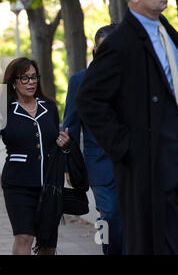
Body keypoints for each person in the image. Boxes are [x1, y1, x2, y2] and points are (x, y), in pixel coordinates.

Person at [75, 0, 178, 254]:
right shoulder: (120, 42)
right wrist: (127, 147)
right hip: (151, 165)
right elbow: (88, 99)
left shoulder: (167, 32)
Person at [63, 24, 125, 255]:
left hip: (134, 163)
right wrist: (70, 166)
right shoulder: (79, 81)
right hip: (99, 164)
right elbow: (70, 126)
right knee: (108, 215)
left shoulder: (135, 78)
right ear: (95, 52)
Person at [0, 57, 70, 255]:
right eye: (24, 78)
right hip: (17, 184)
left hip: (49, 184)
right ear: (13, 82)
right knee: (24, 236)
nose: (31, 82)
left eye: (34, 77)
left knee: (47, 245)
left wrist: (64, 144)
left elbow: (56, 142)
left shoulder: (49, 107)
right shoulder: (3, 110)